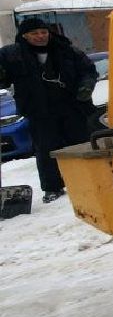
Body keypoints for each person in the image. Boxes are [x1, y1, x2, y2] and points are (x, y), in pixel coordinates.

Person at [0, 17, 99, 202]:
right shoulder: (12, 55)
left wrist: (86, 87)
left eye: (43, 32)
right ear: (24, 36)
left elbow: (89, 71)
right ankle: (53, 188)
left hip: (73, 107)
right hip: (39, 112)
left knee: (80, 146)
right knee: (46, 150)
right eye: (34, 33)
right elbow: (3, 79)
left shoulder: (66, 50)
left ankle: (89, 182)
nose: (40, 36)